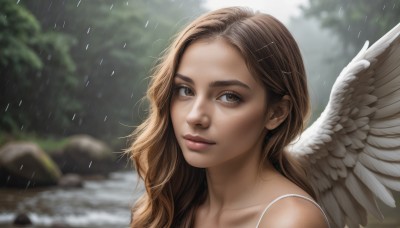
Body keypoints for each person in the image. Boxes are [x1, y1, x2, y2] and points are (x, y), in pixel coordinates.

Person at [128, 7, 330, 227]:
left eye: (228, 96)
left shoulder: (291, 220)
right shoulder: (168, 206)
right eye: (185, 90)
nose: (195, 116)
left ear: (276, 113)